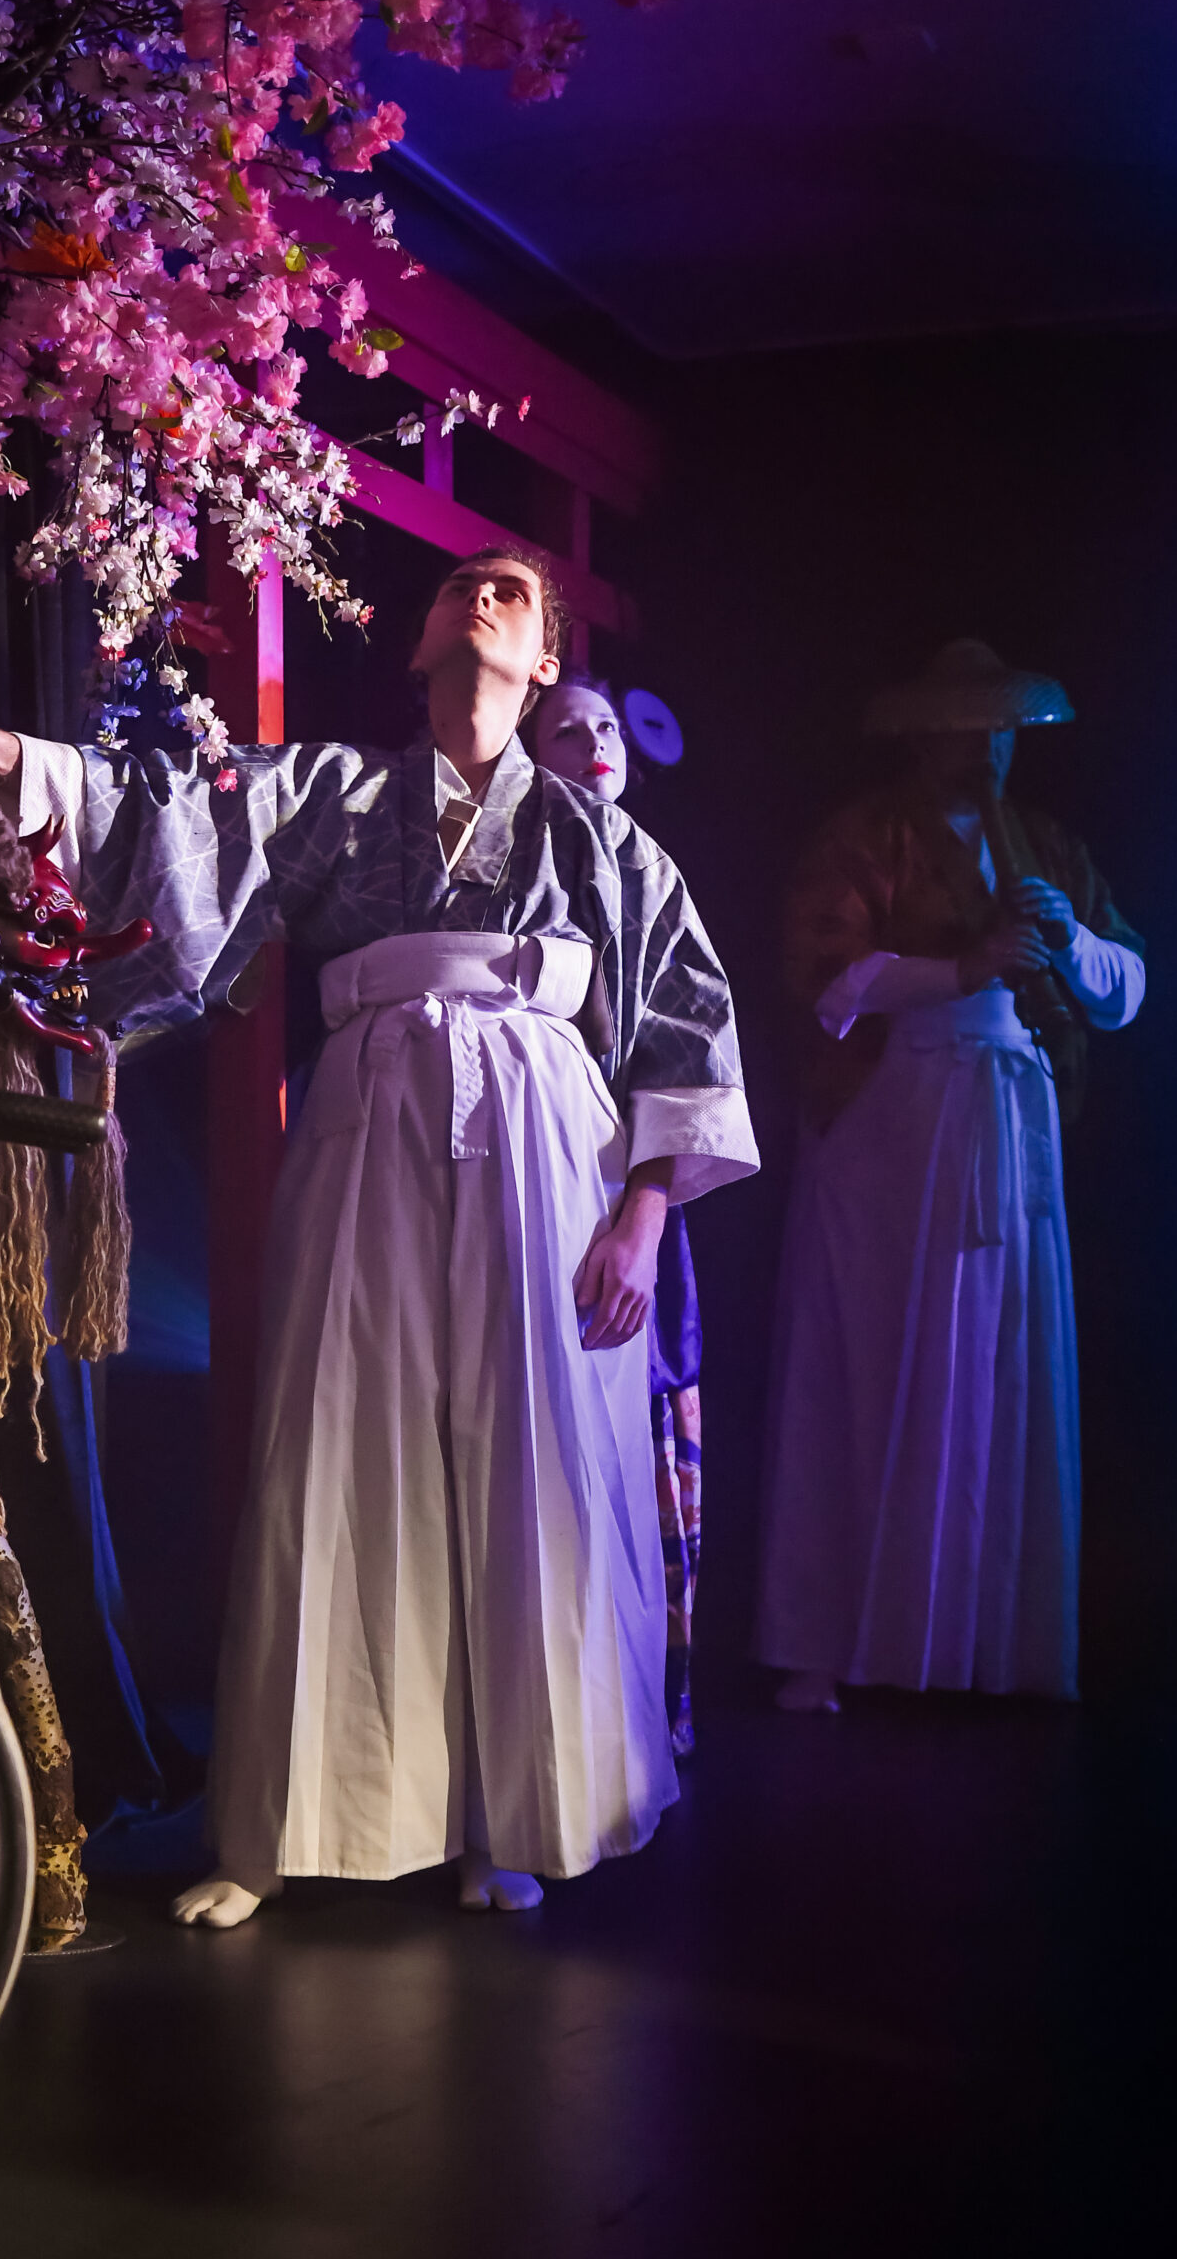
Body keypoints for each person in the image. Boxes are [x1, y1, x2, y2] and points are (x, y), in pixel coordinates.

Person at [0, 549, 758, 1923]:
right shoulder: (339, 795)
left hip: (548, 1143)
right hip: (373, 1119)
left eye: (512, 593)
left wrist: (642, 1219)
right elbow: (166, 806)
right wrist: (4, 753)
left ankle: (508, 1813)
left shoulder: (600, 841)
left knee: (529, 1452)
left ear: (546, 665)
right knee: (345, 1432)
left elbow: (681, 1025)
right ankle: (291, 1822)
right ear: (415, 646)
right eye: (459, 586)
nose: (479, 597)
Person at [755, 640, 1145, 1712]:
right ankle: (828, 1642)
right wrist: (962, 968)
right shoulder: (866, 834)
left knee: (997, 1364)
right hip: (895, 1119)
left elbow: (1126, 987)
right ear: (927, 735)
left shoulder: (1045, 846)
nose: (988, 748)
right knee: (872, 1362)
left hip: (1008, 1119)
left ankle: (993, 1641)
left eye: (1001, 729)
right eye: (969, 728)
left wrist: (1069, 943)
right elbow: (824, 980)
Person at [526, 673, 706, 1757]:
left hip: (628, 1186)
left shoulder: (647, 876)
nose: (594, 741)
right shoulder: (514, 865)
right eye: (567, 729)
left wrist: (644, 1212)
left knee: (640, 1424)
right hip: (536, 1182)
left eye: (606, 727)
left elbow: (680, 1057)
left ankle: (639, 1709)